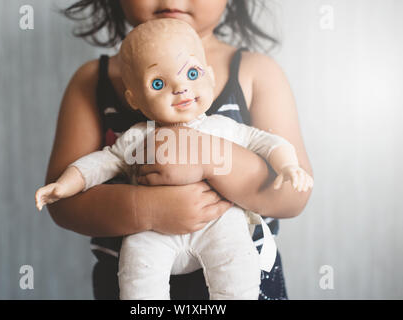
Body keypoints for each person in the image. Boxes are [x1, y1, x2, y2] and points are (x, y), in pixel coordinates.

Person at [45, 0, 313, 300]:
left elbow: (293, 194)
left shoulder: (256, 72)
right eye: (158, 83)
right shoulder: (93, 80)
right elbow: (62, 201)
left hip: (247, 282)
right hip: (133, 284)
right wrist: (147, 210)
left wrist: (206, 156)